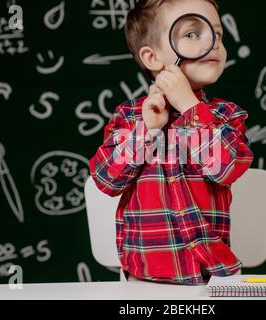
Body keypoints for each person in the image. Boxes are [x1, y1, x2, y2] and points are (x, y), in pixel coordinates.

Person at [89, 0, 253, 285]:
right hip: (142, 281)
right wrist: (148, 131)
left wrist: (190, 109)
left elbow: (226, 169)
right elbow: (106, 179)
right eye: (192, 34)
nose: (212, 43)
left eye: (218, 34)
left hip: (211, 277)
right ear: (152, 58)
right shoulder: (129, 117)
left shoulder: (226, 116)